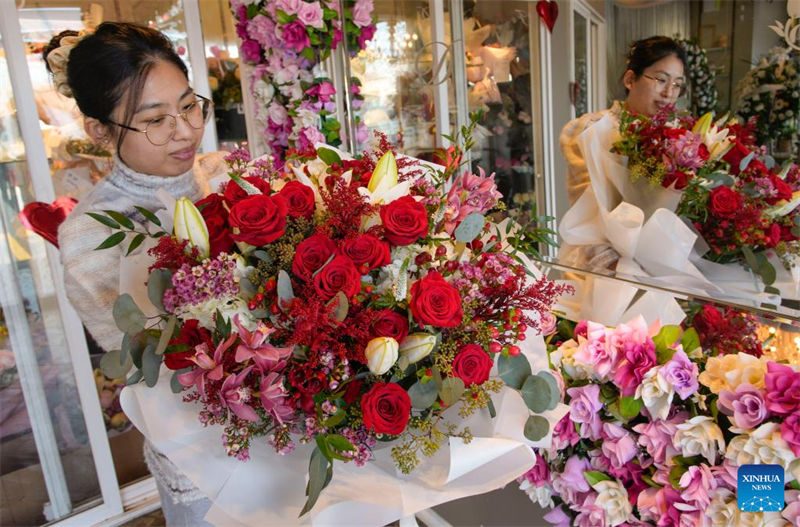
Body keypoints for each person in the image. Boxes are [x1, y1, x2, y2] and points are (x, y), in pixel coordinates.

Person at [45, 22, 226, 526]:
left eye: (189, 106)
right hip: (200, 449)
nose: (186, 130)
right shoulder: (89, 235)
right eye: (155, 119)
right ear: (100, 131)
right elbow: (149, 372)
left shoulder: (230, 177)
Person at [562, 36, 687, 205]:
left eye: (677, 84)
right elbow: (587, 205)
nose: (669, 92)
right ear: (630, 80)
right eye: (661, 80)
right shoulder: (592, 128)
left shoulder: (676, 139)